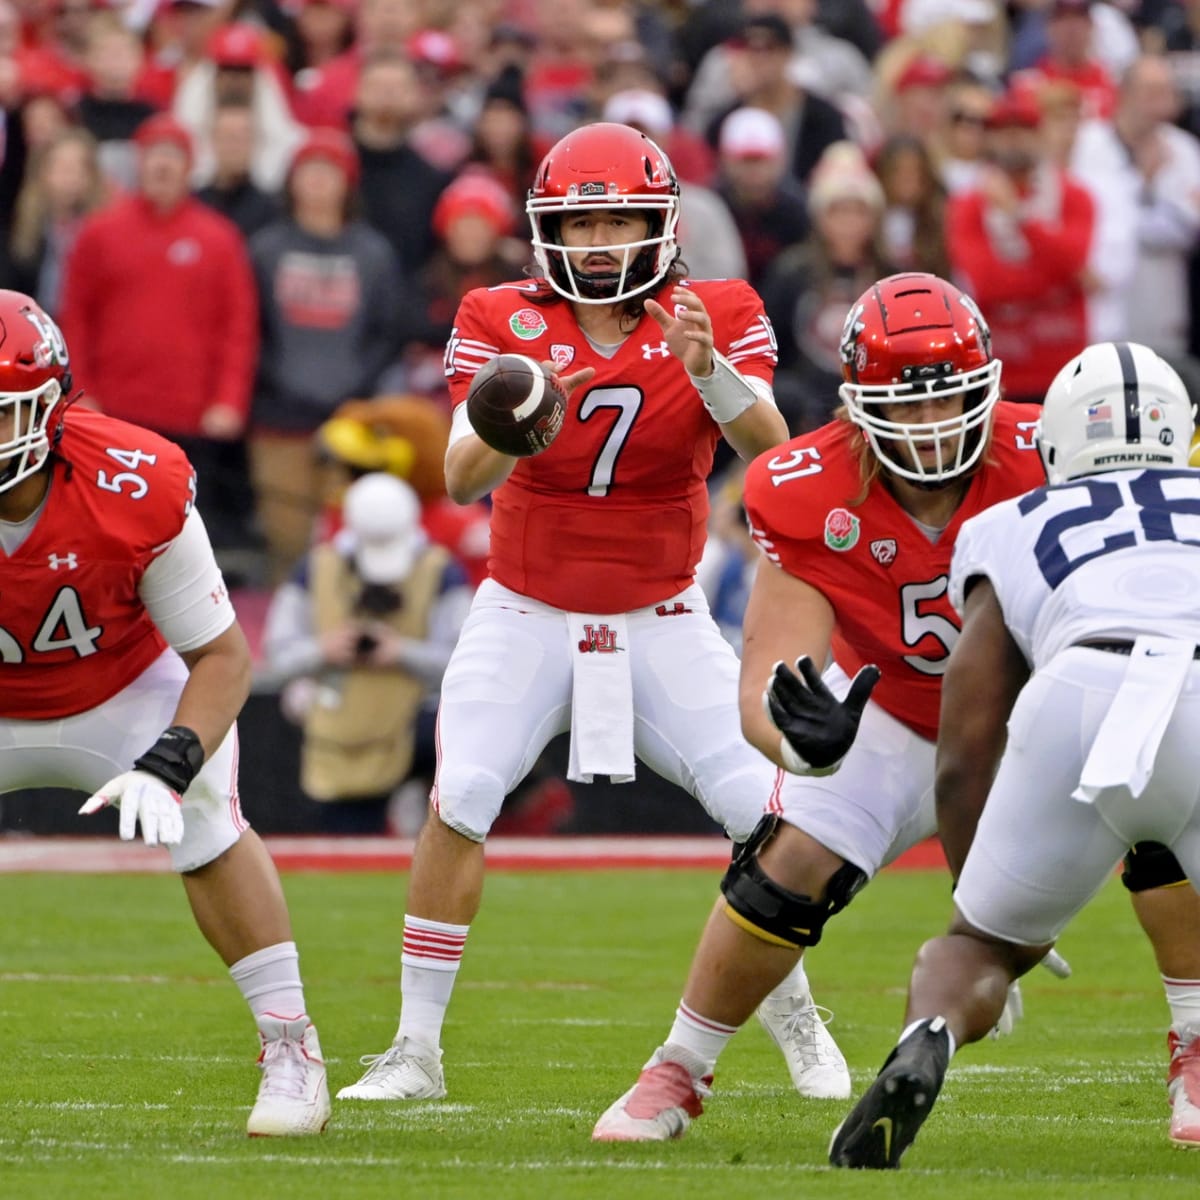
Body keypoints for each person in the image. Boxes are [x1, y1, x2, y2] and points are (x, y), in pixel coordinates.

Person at [590, 273, 1200, 1142]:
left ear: (989, 383)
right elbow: (772, 675)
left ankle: (1196, 1048)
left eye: (948, 400)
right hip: (897, 711)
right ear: (855, 404)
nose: (930, 425)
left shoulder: (1054, 444)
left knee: (1156, 805)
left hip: (1040, 706)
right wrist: (801, 741)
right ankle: (678, 1070)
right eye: (904, 408)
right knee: (786, 865)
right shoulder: (803, 488)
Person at [337, 120, 850, 1106]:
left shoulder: (717, 309)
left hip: (663, 612)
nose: (603, 241)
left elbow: (774, 452)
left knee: (760, 813)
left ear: (660, 224)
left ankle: (799, 1023)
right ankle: (414, 1048)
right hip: (525, 607)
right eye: (582, 222)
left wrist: (709, 371)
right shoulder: (499, 314)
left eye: (621, 218)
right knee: (465, 793)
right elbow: (456, 477)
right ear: (549, 233)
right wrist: (518, 419)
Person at [829, 341, 1200, 1167]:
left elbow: (967, 737)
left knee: (978, 946)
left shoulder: (1010, 523)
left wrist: (986, 895)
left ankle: (930, 1035)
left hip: (1081, 685)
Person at [0, 288, 330, 1137]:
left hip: (118, 688)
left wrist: (170, 759)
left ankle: (292, 1046)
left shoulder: (133, 481)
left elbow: (221, 657)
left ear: (50, 408)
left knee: (210, 817)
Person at [261, 472, 471, 834]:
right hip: (346, 735)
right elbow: (278, 657)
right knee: (349, 829)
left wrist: (401, 653)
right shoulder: (315, 570)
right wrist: (323, 650)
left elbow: (466, 664)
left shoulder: (440, 573)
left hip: (424, 727)